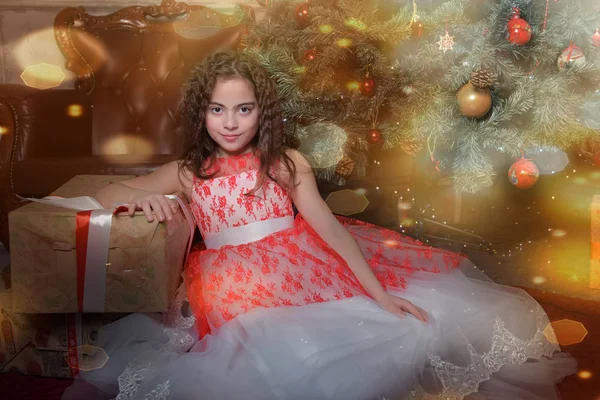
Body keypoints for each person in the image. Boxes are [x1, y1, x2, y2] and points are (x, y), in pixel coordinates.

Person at [64, 51, 577, 400]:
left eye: (244, 109)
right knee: (259, 356)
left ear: (262, 112)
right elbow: (108, 192)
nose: (231, 122)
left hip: (301, 267)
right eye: (218, 109)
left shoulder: (284, 163)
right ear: (202, 114)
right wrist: (139, 202)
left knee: (393, 326)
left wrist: (378, 294)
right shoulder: (187, 172)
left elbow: (331, 230)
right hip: (231, 285)